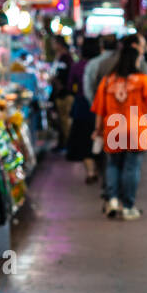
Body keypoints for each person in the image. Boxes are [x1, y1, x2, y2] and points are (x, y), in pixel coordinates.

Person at [91, 42, 147, 220]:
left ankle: (113, 199)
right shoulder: (143, 80)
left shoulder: (108, 81)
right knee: (132, 167)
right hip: (136, 130)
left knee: (113, 165)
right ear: (135, 60)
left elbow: (100, 110)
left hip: (113, 129)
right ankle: (129, 206)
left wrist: (97, 130)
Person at [65, 36, 101, 183]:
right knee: (99, 137)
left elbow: (70, 86)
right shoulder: (101, 65)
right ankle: (98, 168)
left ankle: (90, 171)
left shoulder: (78, 66)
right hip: (101, 107)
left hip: (82, 107)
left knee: (84, 140)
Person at [50, 35, 75, 150]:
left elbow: (65, 76)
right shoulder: (60, 57)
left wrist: (59, 84)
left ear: (59, 44)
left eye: (54, 43)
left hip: (65, 94)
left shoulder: (66, 58)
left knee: (65, 121)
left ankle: (69, 145)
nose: (52, 46)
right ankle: (64, 144)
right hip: (60, 94)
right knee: (62, 121)